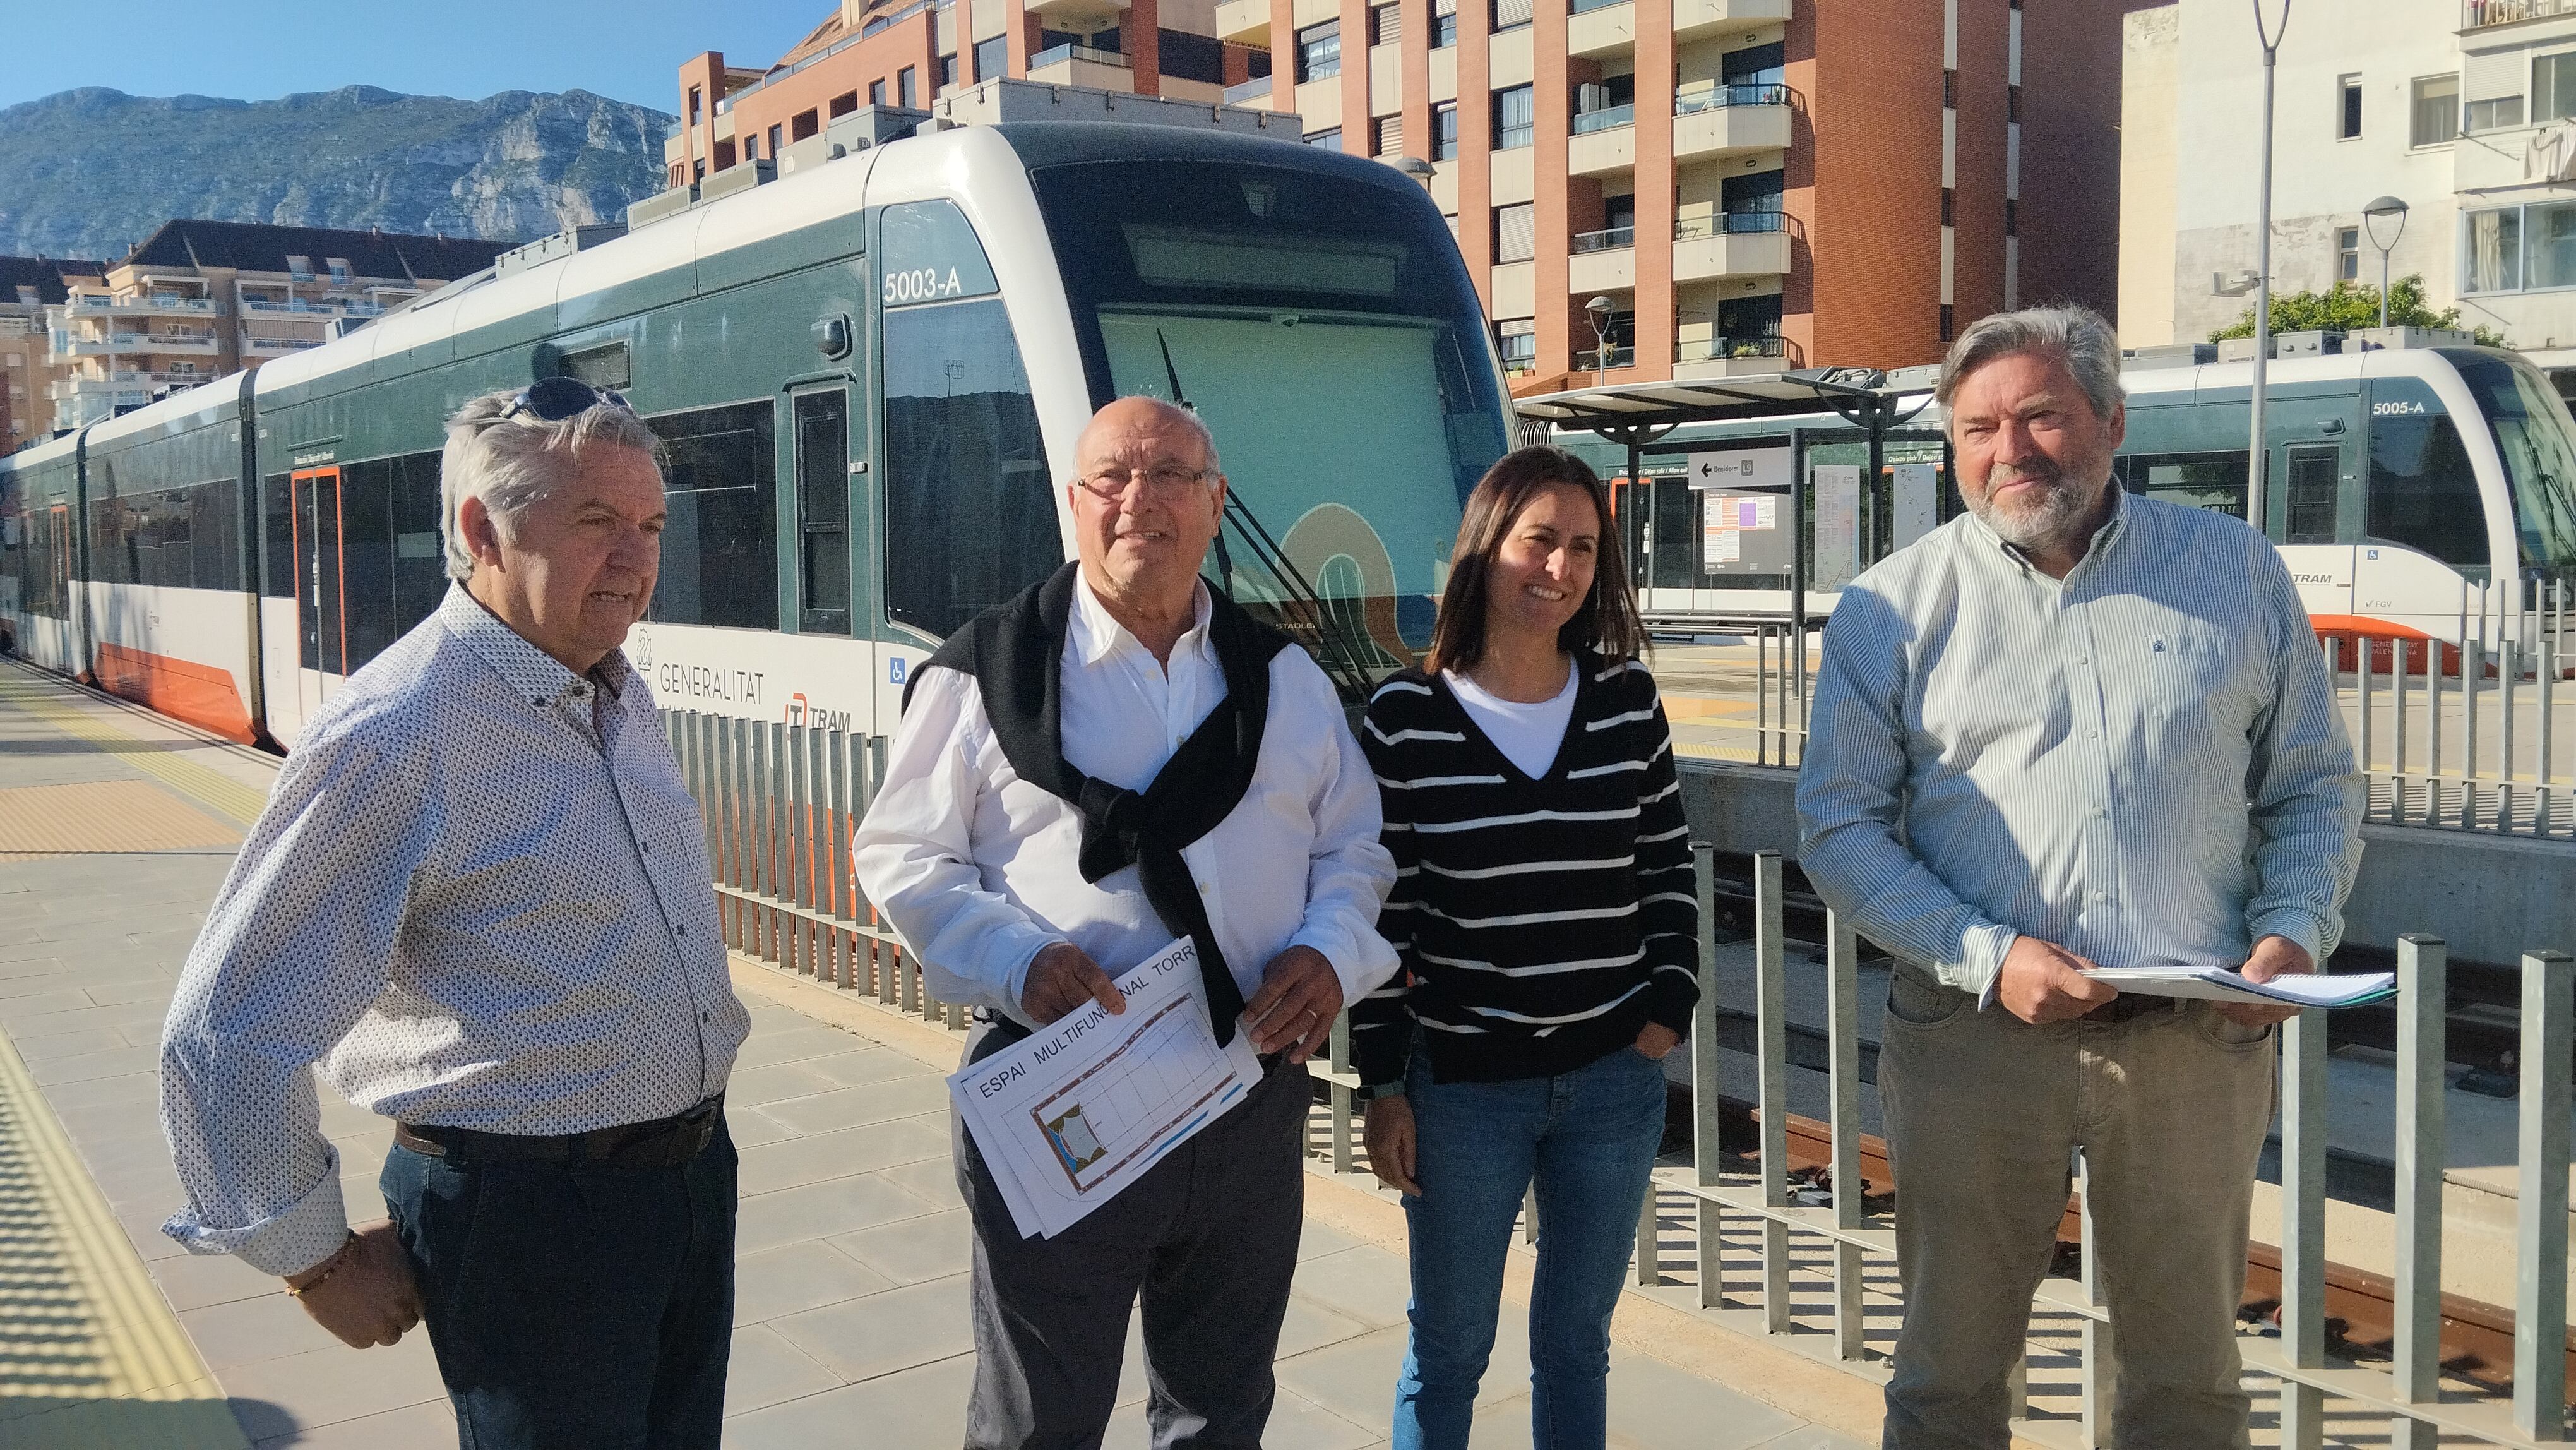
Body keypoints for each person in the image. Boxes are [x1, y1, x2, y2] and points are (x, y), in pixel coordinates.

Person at [1795, 304, 2364, 1449]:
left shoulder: (2234, 569)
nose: (2011, 450)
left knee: (2186, 1381)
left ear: (2109, 421)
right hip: (1970, 1044)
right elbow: (1839, 826)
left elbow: (2313, 785)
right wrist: (1988, 954)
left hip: (2195, 1049)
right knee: (1951, 1376)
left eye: (2042, 415)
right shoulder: (1890, 609)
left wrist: (2295, 927)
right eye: (1978, 428)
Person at [160, 379, 751, 1448]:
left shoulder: (612, 688)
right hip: (533, 1220)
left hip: (687, 1188)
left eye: (652, 526)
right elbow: (225, 1032)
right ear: (483, 530)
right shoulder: (400, 732)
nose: (637, 559)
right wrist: (314, 1260)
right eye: (597, 524)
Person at [850, 395, 1398, 1450]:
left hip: (1245, 1099)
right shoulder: (986, 673)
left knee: (1220, 1409)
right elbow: (903, 855)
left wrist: (1331, 957)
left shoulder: (1284, 680)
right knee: (1038, 1420)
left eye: (1170, 477)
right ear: (1074, 500)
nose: (1137, 501)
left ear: (1215, 502)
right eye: (1111, 477)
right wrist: (1018, 961)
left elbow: (1355, 850)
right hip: (1060, 1088)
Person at [1354, 446, 1699, 1450]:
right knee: (1451, 1348)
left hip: (1611, 1086)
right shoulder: (1406, 718)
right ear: (1484, 549)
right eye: (1539, 540)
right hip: (1463, 1094)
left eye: (1584, 548)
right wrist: (1384, 1086)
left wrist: (1664, 1011)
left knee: (1577, 1343)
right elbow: (1386, 915)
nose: (1561, 568)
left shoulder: (1627, 699)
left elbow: (1667, 867)